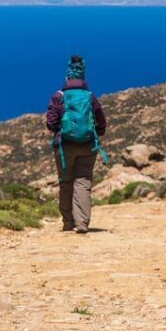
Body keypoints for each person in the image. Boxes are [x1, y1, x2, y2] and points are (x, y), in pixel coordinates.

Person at [46, 55, 108, 234]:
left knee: (66, 182)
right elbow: (101, 122)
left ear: (67, 77)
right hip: (88, 145)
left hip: (65, 147)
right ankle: (82, 223)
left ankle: (67, 222)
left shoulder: (59, 96)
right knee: (83, 182)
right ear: (83, 77)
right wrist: (97, 133)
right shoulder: (90, 97)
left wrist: (62, 130)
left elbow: (51, 122)